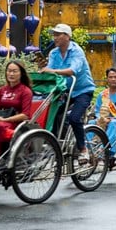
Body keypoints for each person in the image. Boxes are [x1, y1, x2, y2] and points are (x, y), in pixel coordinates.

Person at [41, 23, 96, 165]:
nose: (55, 38)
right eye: (54, 35)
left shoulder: (76, 51)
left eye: (58, 34)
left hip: (83, 91)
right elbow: (50, 71)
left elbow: (72, 71)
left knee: (74, 117)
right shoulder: (53, 53)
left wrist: (51, 71)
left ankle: (83, 149)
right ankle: (58, 143)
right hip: (65, 90)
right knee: (51, 114)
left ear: (67, 36)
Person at [88, 68, 116, 158]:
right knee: (91, 123)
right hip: (103, 118)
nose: (113, 79)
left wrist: (113, 118)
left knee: (113, 124)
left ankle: (104, 150)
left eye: (115, 77)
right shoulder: (102, 94)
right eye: (110, 77)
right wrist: (101, 118)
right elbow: (97, 110)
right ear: (107, 79)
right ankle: (90, 150)